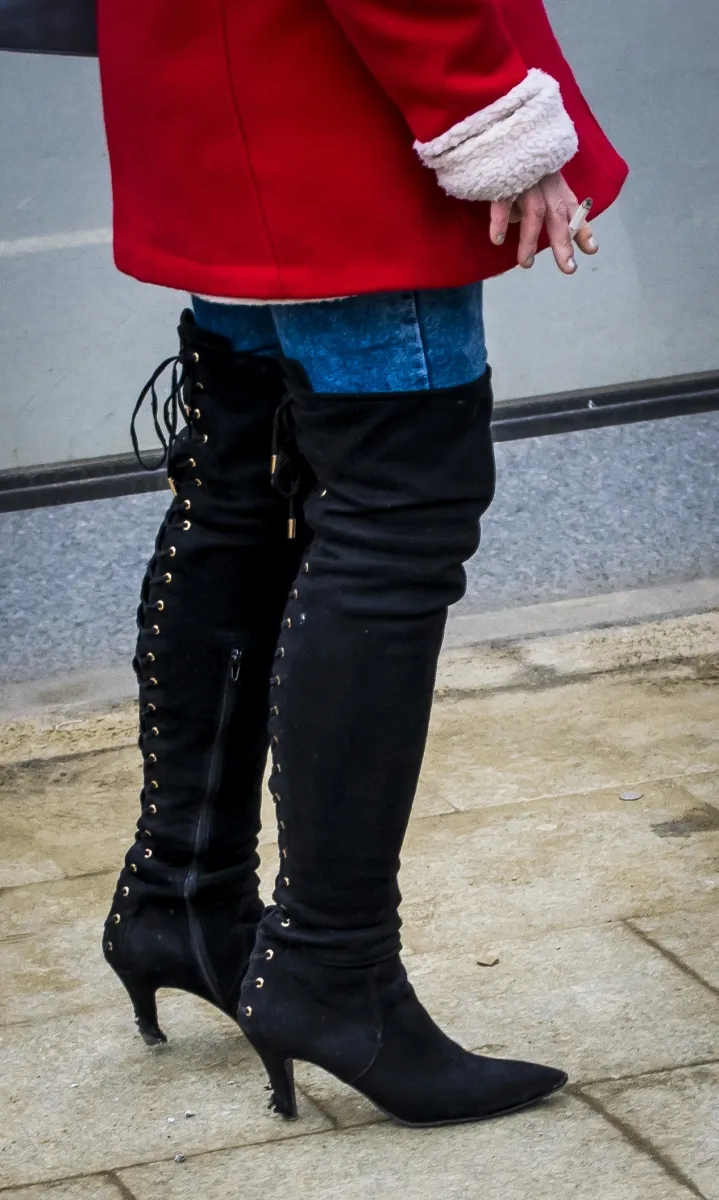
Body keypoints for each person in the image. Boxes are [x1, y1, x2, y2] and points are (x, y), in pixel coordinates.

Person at [98, 0, 627, 1127]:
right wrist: (482, 106)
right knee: (394, 523)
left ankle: (182, 898)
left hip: (223, 71)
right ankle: (331, 972)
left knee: (243, 486)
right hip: (342, 96)